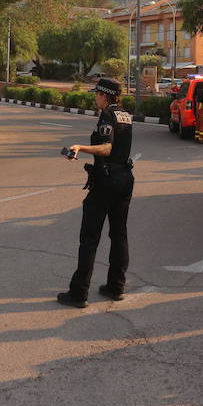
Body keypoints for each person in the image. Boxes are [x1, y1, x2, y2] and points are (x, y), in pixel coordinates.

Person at [58, 77, 135, 308]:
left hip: (107, 181)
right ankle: (115, 287)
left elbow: (107, 147)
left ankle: (78, 293)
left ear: (104, 95)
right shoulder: (126, 115)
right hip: (124, 179)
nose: (95, 97)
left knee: (89, 238)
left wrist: (80, 147)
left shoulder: (108, 116)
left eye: (96, 94)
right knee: (119, 235)